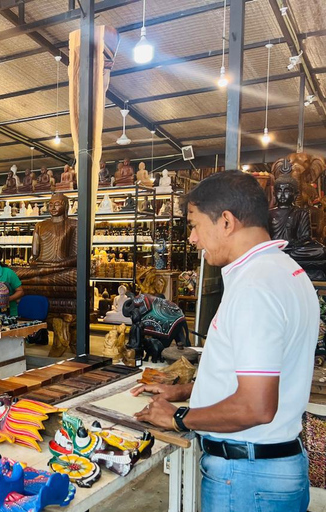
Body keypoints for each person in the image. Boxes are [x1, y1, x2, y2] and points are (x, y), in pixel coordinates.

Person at [131, 170, 318, 512]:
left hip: (246, 477)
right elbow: (265, 375)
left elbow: (256, 407)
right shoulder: (287, 272)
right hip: (266, 469)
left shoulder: (255, 288)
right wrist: (189, 390)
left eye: (195, 224)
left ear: (227, 222)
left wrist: (178, 416)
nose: (192, 238)